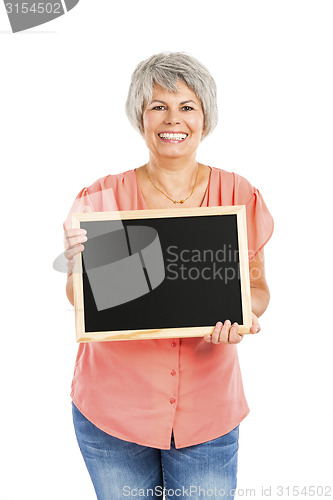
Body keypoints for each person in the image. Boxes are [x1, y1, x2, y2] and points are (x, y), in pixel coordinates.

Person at [63, 52, 274, 499]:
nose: (171, 119)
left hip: (208, 414)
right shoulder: (100, 199)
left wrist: (243, 317)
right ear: (140, 116)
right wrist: (79, 265)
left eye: (187, 106)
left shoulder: (238, 194)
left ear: (205, 117)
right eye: (157, 105)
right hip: (113, 412)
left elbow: (256, 290)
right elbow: (79, 298)